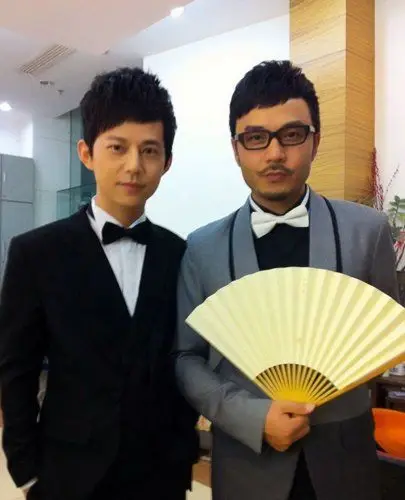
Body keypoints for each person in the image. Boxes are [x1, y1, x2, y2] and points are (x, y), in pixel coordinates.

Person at [175, 60, 399, 500]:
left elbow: (384, 340)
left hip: (345, 464)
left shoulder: (368, 231)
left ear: (315, 140)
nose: (275, 153)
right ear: (236, 149)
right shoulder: (202, 248)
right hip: (246, 465)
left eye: (292, 135)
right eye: (256, 138)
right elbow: (185, 358)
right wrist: (251, 416)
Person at [0, 67, 198, 500]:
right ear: (87, 153)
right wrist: (26, 469)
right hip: (66, 474)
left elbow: (185, 362)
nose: (134, 166)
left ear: (166, 162)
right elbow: (16, 370)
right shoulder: (36, 253)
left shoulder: (182, 254)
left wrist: (182, 455)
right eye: (117, 147)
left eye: (149, 150)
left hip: (159, 476)